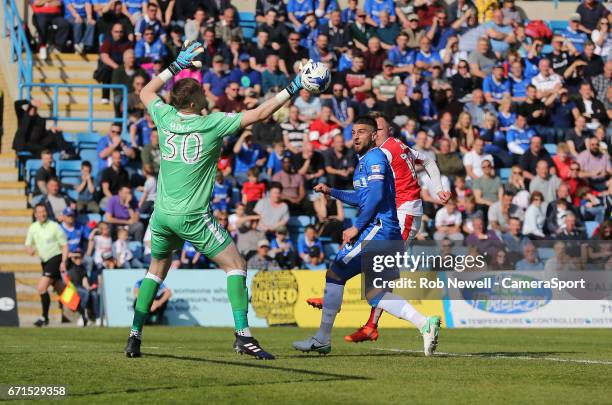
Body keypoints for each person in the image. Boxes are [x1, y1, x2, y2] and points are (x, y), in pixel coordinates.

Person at [125, 42, 313, 359]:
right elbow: (262, 112)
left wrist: (175, 65)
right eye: (203, 94)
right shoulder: (211, 123)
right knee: (236, 265)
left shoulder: (165, 117)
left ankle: (134, 337)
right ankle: (243, 335)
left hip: (162, 214)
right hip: (193, 216)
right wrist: (295, 85)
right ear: (196, 100)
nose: (208, 96)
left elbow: (145, 91)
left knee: (156, 269)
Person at [293, 116, 442, 357]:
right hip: (384, 230)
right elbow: (361, 198)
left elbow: (373, 198)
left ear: (374, 135)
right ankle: (425, 323)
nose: (356, 136)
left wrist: (356, 227)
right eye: (353, 132)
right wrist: (332, 191)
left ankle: (322, 338)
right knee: (375, 293)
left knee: (337, 271)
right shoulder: (364, 161)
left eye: (362, 131)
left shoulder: (376, 158)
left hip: (381, 228)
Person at [25, 203, 69, 327]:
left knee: (41, 287)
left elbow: (65, 245)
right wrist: (29, 250)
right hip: (44, 262)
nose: (42, 214)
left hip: (55, 258)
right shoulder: (33, 227)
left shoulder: (54, 226)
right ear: (35, 214)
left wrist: (63, 262)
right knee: (61, 289)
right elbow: (28, 244)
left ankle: (44, 317)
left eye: (44, 211)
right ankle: (82, 311)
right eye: (39, 211)